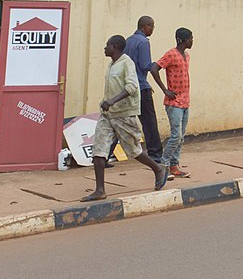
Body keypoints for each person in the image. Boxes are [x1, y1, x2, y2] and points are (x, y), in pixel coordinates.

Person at [82, 35, 167, 201]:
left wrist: (112, 101)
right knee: (99, 150)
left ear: (114, 47)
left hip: (124, 114)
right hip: (108, 115)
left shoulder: (127, 63)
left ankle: (158, 169)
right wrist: (107, 103)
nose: (105, 48)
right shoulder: (112, 64)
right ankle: (100, 190)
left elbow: (132, 87)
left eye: (107, 45)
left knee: (133, 150)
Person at [109, 15, 164, 165]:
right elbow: (145, 65)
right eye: (152, 26)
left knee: (121, 120)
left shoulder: (128, 41)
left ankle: (105, 154)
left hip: (126, 88)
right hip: (140, 87)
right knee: (149, 123)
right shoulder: (143, 42)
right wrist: (158, 65)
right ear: (145, 26)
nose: (153, 29)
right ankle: (155, 155)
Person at [153, 27, 193, 180]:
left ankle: (174, 165)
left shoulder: (186, 56)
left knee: (181, 137)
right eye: (190, 39)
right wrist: (165, 90)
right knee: (176, 136)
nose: (192, 41)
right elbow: (154, 69)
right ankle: (163, 165)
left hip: (185, 101)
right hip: (174, 102)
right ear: (182, 40)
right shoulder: (171, 54)